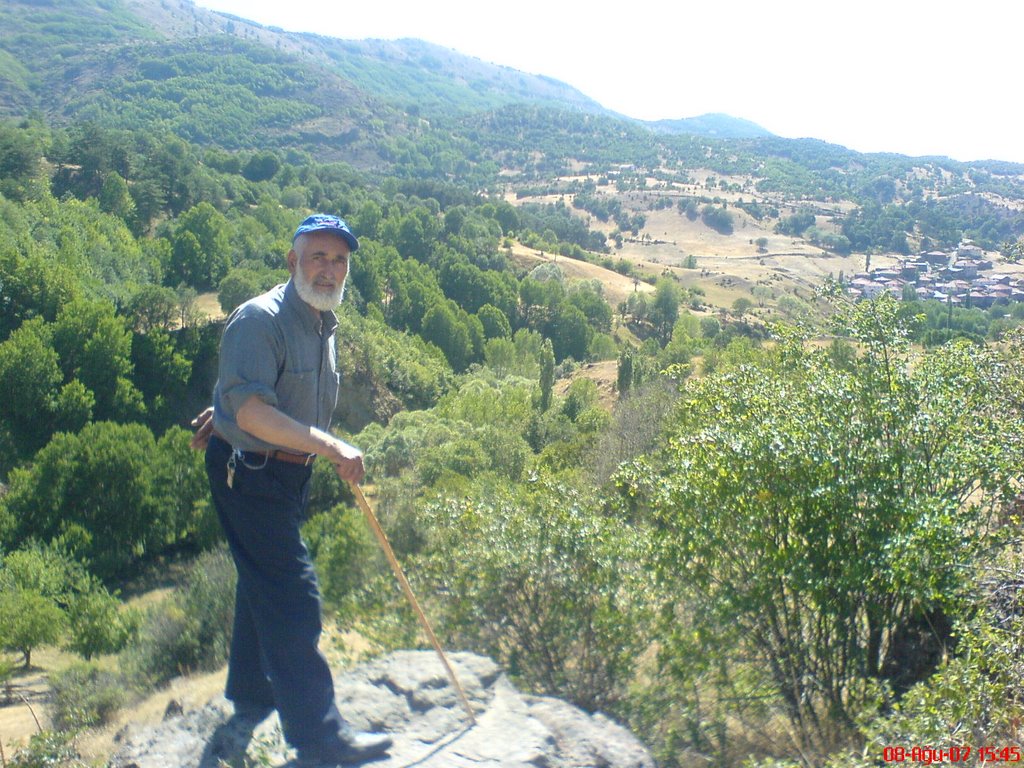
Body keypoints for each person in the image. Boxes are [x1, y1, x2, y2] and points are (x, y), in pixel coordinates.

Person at [190, 214, 392, 766]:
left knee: (262, 579)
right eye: (318, 257)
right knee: (294, 597)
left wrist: (230, 412)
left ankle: (252, 693)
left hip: (280, 471)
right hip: (250, 473)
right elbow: (255, 408)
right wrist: (327, 446)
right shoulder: (262, 319)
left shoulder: (322, 320)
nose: (329, 269)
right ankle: (321, 740)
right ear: (293, 261)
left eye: (340, 260)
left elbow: (257, 394)